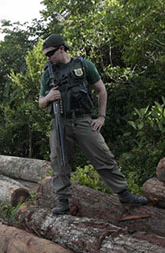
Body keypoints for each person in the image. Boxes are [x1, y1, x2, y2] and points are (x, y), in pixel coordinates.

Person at [38, 34, 147, 214]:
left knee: (103, 156)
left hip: (83, 120)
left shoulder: (83, 65)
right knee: (60, 162)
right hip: (59, 122)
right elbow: (41, 102)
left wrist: (101, 117)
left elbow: (101, 90)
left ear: (62, 49)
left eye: (50, 53)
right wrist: (49, 97)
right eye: (46, 55)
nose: (48, 58)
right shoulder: (48, 73)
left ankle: (124, 194)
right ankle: (63, 201)